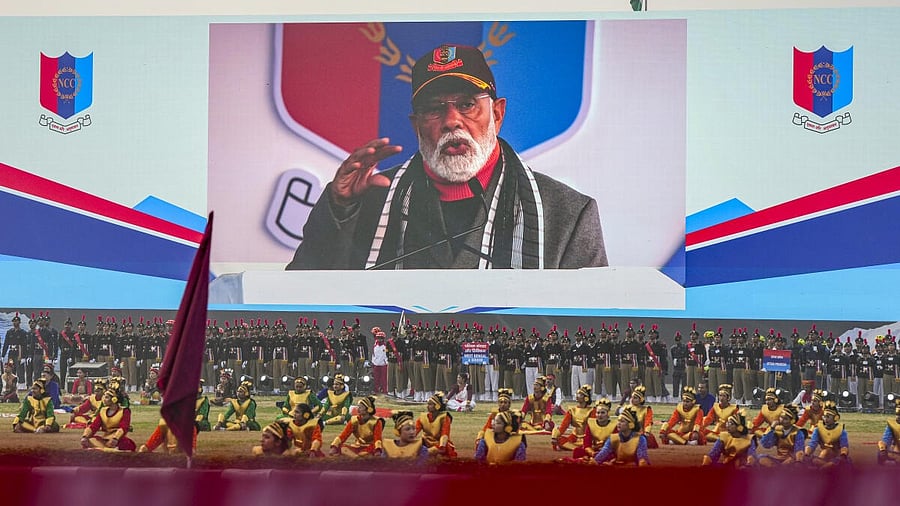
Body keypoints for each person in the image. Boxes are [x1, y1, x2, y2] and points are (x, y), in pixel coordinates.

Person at [286, 44, 607, 271]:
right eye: (434, 108)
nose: (451, 120)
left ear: (497, 113)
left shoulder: (567, 215)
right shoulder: (370, 202)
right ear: (416, 126)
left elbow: (589, 331)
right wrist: (341, 207)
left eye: (467, 104)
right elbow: (303, 295)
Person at [803, 400, 850, 468]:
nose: (825, 419)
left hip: (837, 458)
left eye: (828, 417)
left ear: (835, 418)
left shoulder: (841, 431)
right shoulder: (818, 430)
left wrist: (843, 455)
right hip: (822, 458)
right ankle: (826, 467)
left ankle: (825, 468)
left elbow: (844, 446)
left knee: (839, 463)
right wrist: (806, 454)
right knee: (816, 458)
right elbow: (812, 444)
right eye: (824, 416)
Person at [551, 384, 595, 451]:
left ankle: (576, 448)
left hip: (587, 438)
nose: (577, 396)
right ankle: (580, 449)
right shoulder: (572, 410)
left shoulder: (592, 411)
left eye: (580, 394)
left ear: (586, 398)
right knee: (559, 440)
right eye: (577, 394)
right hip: (574, 438)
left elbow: (594, 428)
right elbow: (564, 426)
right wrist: (555, 436)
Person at [416, 391, 457, 457]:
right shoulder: (422, 417)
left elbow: (445, 435)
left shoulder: (444, 418)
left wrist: (441, 447)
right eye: (428, 404)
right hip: (425, 443)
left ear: (437, 406)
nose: (427, 406)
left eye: (430, 404)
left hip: (440, 444)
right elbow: (414, 431)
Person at [877, 397, 900, 465]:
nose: (898, 417)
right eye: (897, 415)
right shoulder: (891, 426)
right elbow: (885, 441)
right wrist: (883, 450)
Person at [371, 328, 389, 395]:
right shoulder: (375, 346)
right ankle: (376, 390)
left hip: (383, 365)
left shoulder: (385, 346)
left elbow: (387, 355)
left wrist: (386, 362)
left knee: (384, 379)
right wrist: (373, 362)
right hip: (376, 365)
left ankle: (384, 391)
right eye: (378, 338)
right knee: (376, 379)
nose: (379, 339)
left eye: (381, 338)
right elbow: (373, 354)